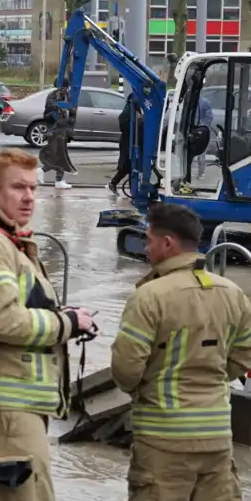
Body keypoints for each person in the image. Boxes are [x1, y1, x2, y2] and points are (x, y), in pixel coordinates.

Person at [0, 148, 97, 501]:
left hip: (3, 406)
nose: (28, 197)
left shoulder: (3, 239)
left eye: (33, 188)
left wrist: (68, 318)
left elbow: (16, 307)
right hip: (1, 408)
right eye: (18, 188)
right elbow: (0, 319)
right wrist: (66, 323)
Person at [111, 203, 251, 501]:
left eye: (148, 241)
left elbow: (126, 370)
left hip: (163, 440)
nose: (146, 249)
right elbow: (242, 356)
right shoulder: (232, 293)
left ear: (167, 243)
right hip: (216, 435)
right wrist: (209, 378)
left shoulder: (149, 297)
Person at [37, 87, 74, 190]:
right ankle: (58, 180)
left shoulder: (62, 96)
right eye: (65, 88)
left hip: (59, 130)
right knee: (59, 156)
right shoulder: (54, 98)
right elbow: (50, 115)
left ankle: (43, 172)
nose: (67, 90)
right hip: (54, 131)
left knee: (57, 156)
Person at [109, 97, 134, 195]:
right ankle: (114, 183)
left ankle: (115, 183)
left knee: (131, 165)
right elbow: (122, 121)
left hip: (132, 140)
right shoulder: (130, 108)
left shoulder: (134, 107)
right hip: (128, 140)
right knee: (128, 164)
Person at [194, 93, 214, 179]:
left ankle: (201, 172)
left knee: (201, 153)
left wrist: (201, 124)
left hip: (202, 131)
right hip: (193, 129)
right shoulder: (191, 102)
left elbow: (209, 117)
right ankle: (187, 173)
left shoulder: (204, 102)